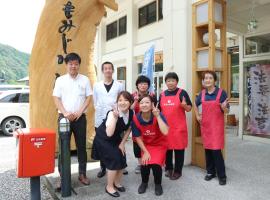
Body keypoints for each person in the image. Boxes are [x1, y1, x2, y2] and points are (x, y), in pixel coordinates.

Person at [53, 52, 92, 187]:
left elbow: (88, 98)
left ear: (79, 65)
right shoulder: (60, 80)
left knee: (81, 146)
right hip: (64, 118)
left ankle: (82, 174)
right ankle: (63, 177)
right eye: (71, 64)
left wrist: (79, 112)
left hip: (80, 118)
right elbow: (56, 98)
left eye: (76, 64)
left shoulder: (85, 79)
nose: (73, 66)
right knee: (64, 147)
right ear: (66, 65)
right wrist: (65, 113)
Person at [92, 91, 134, 198]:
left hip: (115, 139)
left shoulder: (131, 113)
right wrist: (115, 118)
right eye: (120, 100)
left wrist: (122, 143)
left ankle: (117, 183)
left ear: (130, 102)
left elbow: (129, 128)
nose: (123, 103)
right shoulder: (112, 113)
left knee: (122, 157)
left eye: (126, 100)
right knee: (114, 159)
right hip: (103, 139)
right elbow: (109, 133)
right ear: (117, 102)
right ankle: (109, 187)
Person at [194, 70, 229, 186]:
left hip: (216, 127)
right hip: (206, 126)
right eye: (205, 78)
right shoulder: (202, 94)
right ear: (203, 81)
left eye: (210, 78)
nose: (207, 80)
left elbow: (227, 110)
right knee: (208, 149)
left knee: (216, 151)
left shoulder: (221, 93)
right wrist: (197, 115)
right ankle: (210, 172)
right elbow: (195, 103)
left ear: (215, 80)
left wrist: (224, 108)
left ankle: (222, 175)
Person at [93, 61, 127, 178]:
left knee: (118, 141)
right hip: (101, 118)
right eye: (105, 68)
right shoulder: (97, 85)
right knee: (102, 144)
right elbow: (95, 101)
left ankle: (121, 165)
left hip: (115, 117)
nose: (108, 70)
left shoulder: (119, 85)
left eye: (110, 68)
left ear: (113, 70)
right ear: (102, 71)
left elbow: (122, 100)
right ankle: (103, 167)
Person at [132, 94, 169, 196]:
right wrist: (146, 152)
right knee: (145, 163)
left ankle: (158, 184)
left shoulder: (158, 114)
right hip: (146, 145)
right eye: (142, 103)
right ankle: (144, 183)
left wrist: (158, 116)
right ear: (139, 105)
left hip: (159, 145)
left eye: (147, 102)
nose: (144, 105)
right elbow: (138, 138)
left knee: (156, 165)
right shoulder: (135, 118)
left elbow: (165, 132)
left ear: (152, 104)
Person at [159, 72, 192, 180]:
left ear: (176, 82)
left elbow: (189, 108)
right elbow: (158, 110)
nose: (171, 83)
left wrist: (184, 105)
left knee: (179, 150)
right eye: (168, 81)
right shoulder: (162, 94)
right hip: (166, 127)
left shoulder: (182, 93)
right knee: (167, 149)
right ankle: (169, 168)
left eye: (173, 80)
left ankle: (178, 171)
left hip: (178, 127)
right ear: (166, 82)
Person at [131, 75, 157, 174]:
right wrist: (136, 100)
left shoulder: (152, 95)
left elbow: (154, 107)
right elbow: (130, 109)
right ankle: (139, 163)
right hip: (136, 123)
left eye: (145, 84)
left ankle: (151, 161)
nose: (143, 85)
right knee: (137, 143)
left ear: (148, 85)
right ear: (137, 85)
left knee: (149, 141)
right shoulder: (133, 95)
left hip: (149, 123)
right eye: (141, 83)